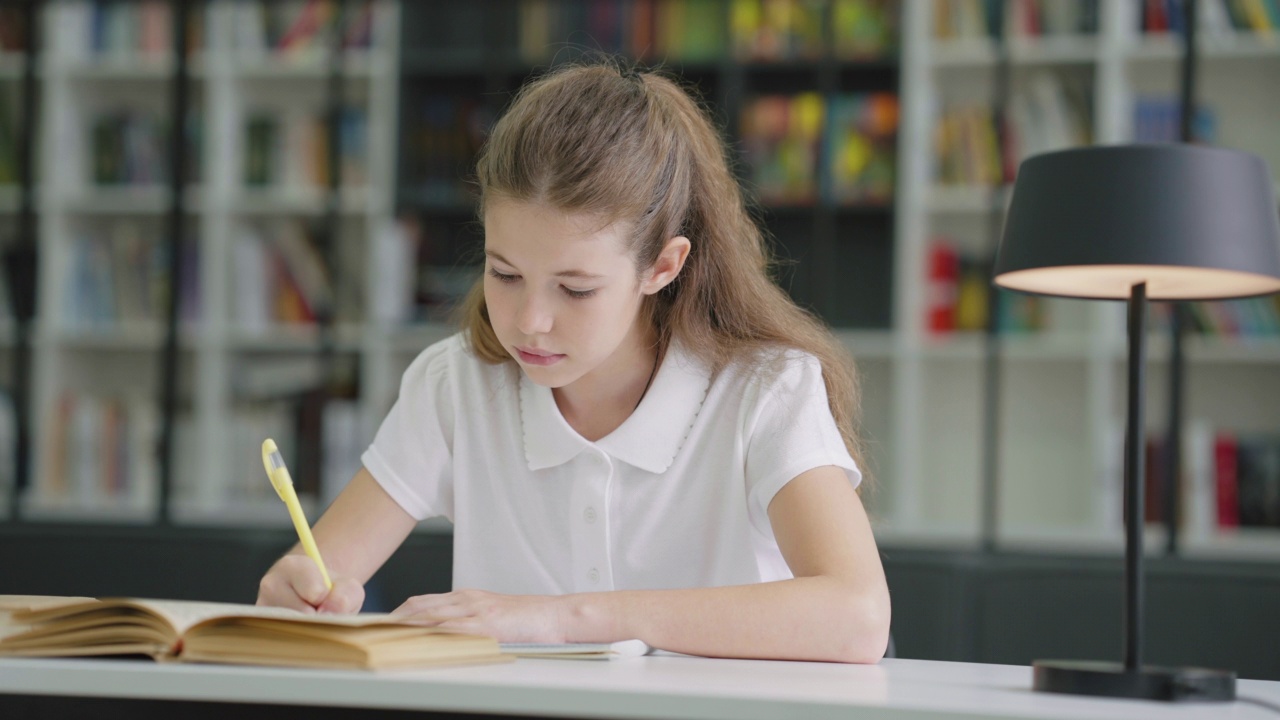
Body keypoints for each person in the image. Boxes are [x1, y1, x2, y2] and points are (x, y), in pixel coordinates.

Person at [257, 61, 890, 664]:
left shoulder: (764, 391)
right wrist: (295, 596)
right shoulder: (456, 384)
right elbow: (323, 572)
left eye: (575, 288)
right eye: (504, 273)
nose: (530, 320)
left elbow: (858, 615)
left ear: (662, 267)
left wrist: (559, 617)